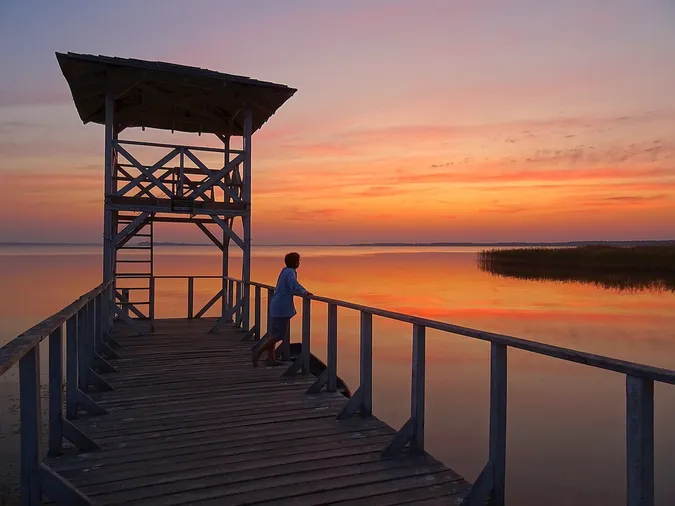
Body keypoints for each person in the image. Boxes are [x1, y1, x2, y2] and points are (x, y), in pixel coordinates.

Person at [252, 252, 312, 367]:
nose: (299, 262)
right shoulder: (290, 272)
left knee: (274, 334)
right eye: (298, 260)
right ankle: (258, 352)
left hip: (277, 305)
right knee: (279, 335)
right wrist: (305, 292)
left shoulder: (285, 270)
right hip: (281, 307)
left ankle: (271, 358)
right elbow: (293, 284)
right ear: (295, 262)